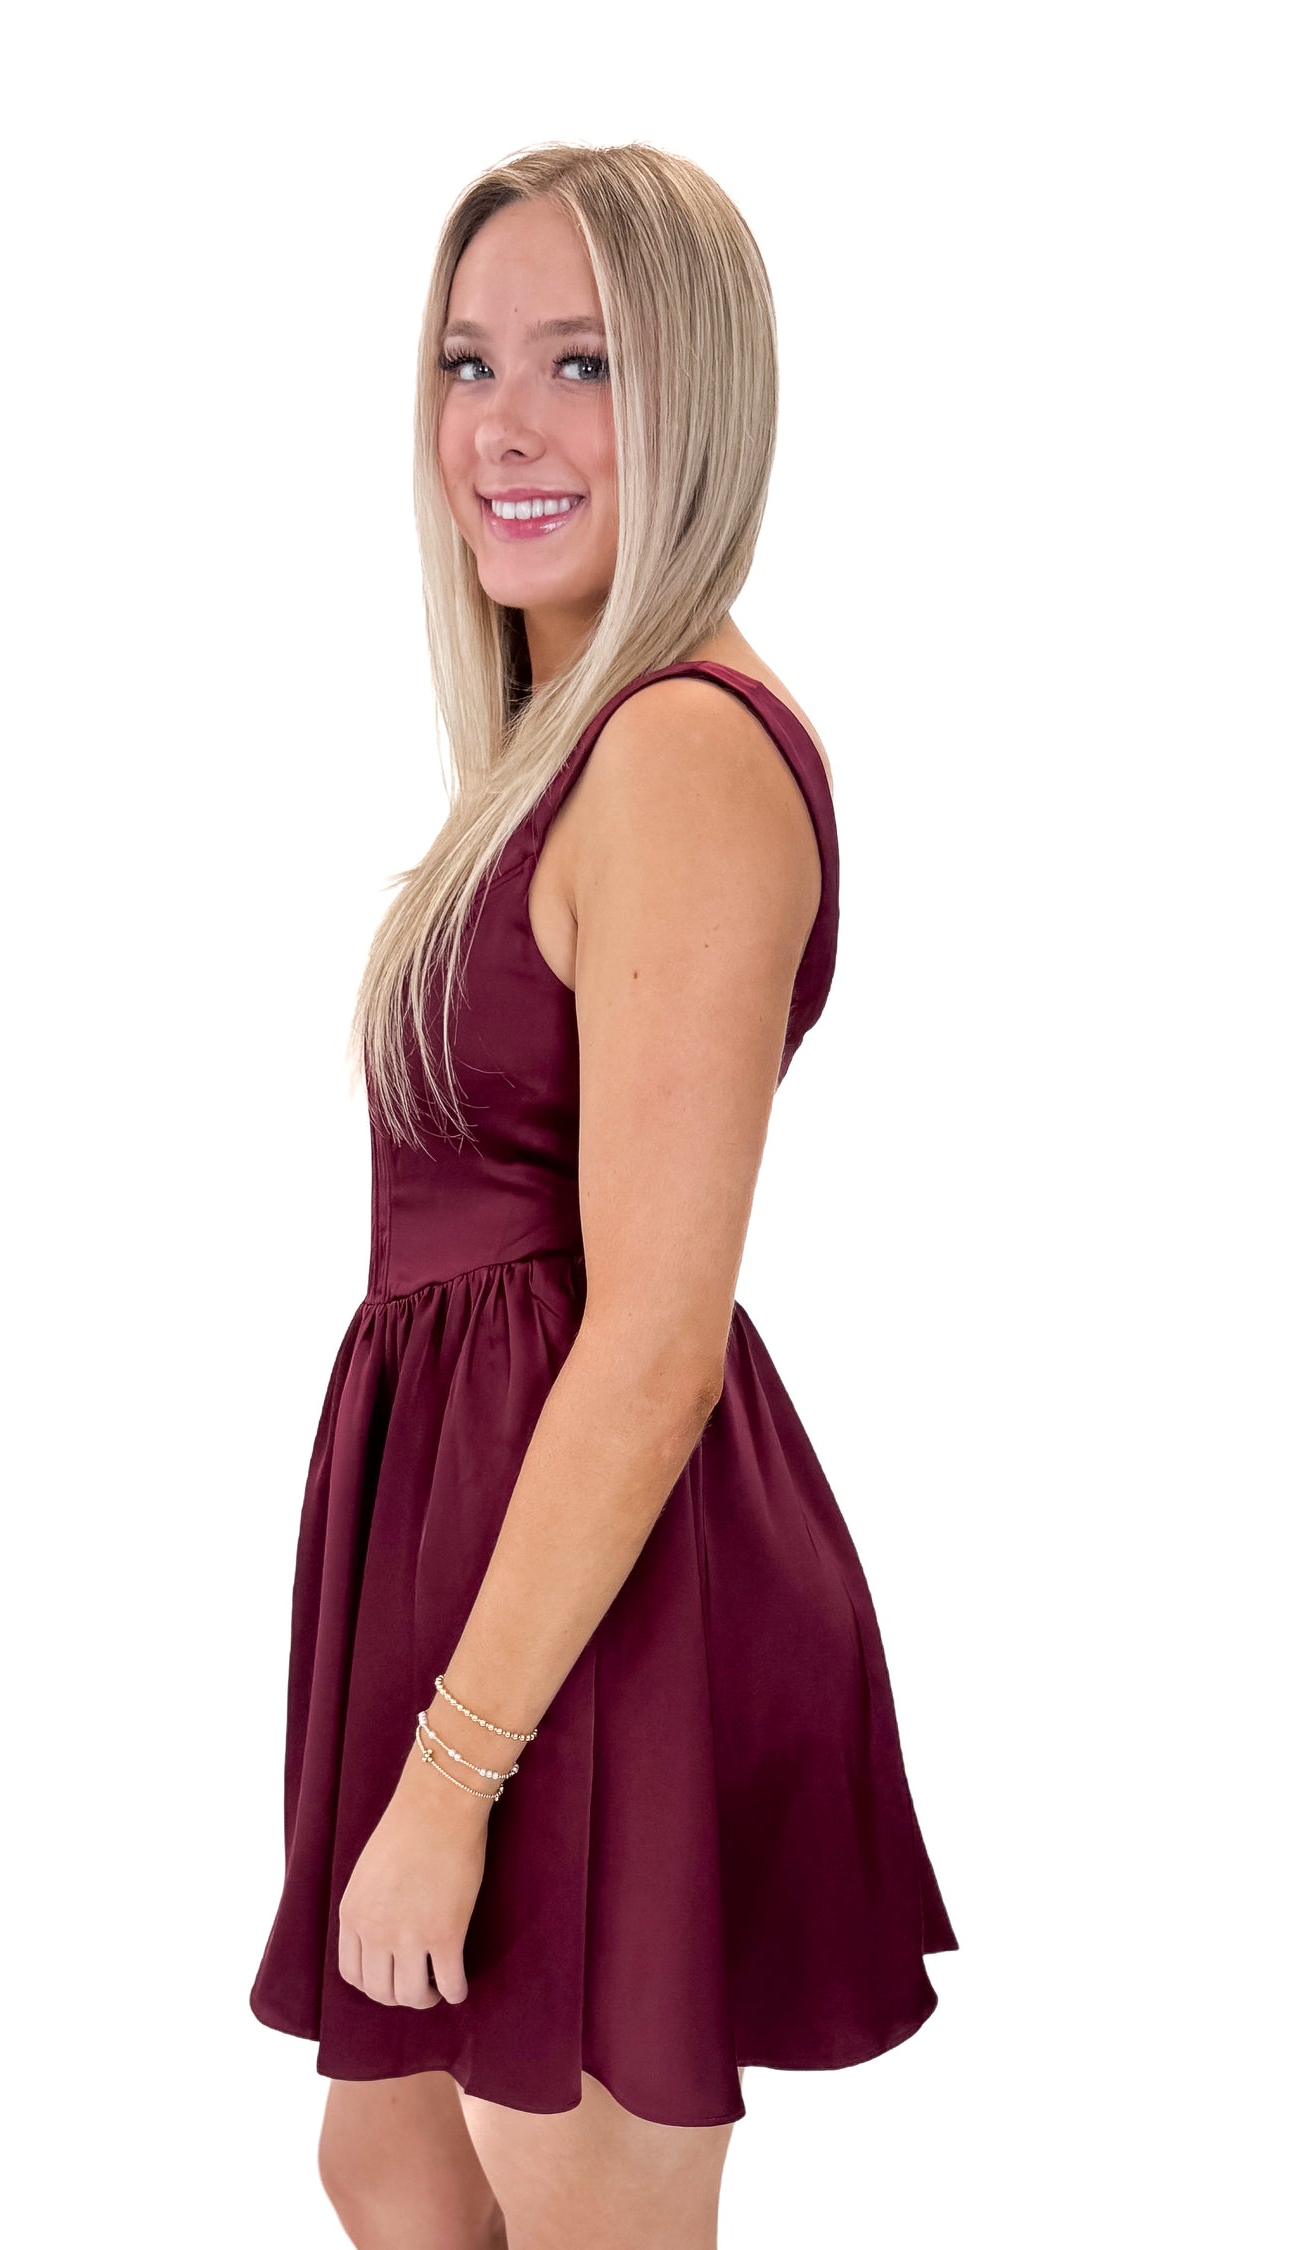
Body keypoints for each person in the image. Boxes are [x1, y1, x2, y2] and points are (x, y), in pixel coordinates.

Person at [249, 141, 959, 2249]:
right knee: (388, 2152)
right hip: (477, 1558)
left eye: (589, 363)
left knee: (570, 2203)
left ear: (706, 405)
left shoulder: (678, 754)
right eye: (473, 359)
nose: (510, 423)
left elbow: (654, 1330)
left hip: (591, 1609)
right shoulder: (574, 740)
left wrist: (456, 1777)